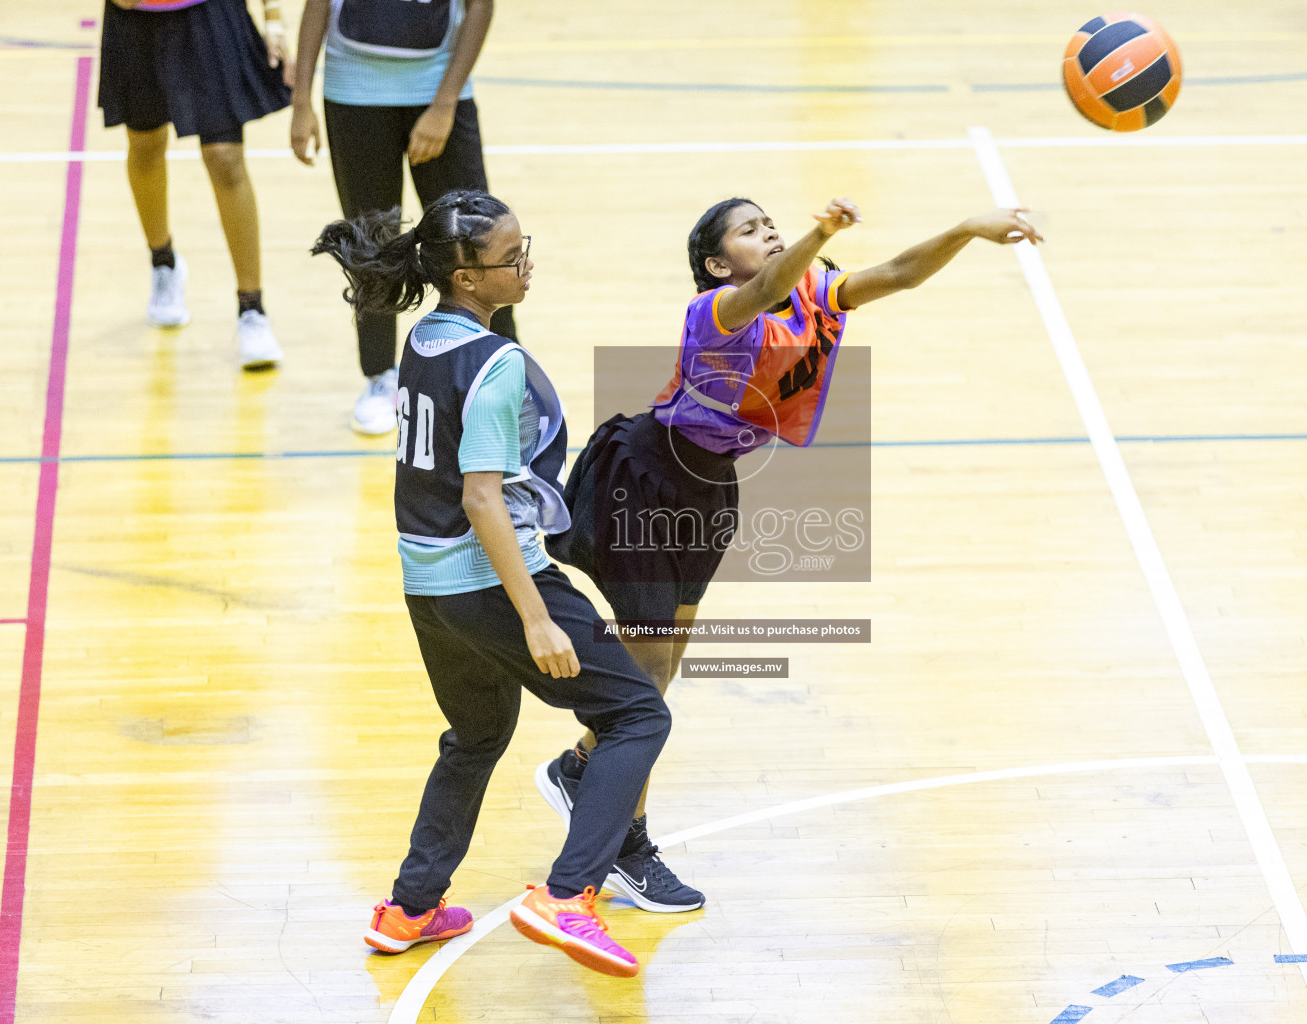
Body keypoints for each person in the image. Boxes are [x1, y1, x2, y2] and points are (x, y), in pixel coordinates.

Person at [540, 196, 1042, 912]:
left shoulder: (812, 292)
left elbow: (899, 272)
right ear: (717, 264)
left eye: (770, 224)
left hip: (712, 489)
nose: (769, 233)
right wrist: (821, 232)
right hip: (644, 481)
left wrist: (964, 229)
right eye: (750, 231)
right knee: (647, 675)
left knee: (667, 662)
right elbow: (769, 287)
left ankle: (583, 766)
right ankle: (625, 845)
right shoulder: (716, 310)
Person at [312, 189, 671, 978]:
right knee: (638, 715)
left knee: (474, 736)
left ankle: (410, 907)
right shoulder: (496, 363)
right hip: (486, 580)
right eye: (511, 257)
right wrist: (537, 615)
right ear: (469, 277)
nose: (525, 263)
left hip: (425, 584)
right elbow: (481, 498)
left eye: (522, 247)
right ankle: (568, 896)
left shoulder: (424, 340)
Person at [291, 0, 515, 437]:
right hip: (353, 93)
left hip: (438, 90)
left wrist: (445, 102)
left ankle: (500, 369)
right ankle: (379, 378)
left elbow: (479, 7)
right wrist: (301, 100)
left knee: (476, 241)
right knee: (373, 244)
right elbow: (317, 5)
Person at [98, 0, 291, 369]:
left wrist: (272, 14)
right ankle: (164, 263)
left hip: (209, 13)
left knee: (224, 157)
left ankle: (252, 308)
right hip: (134, 18)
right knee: (146, 144)